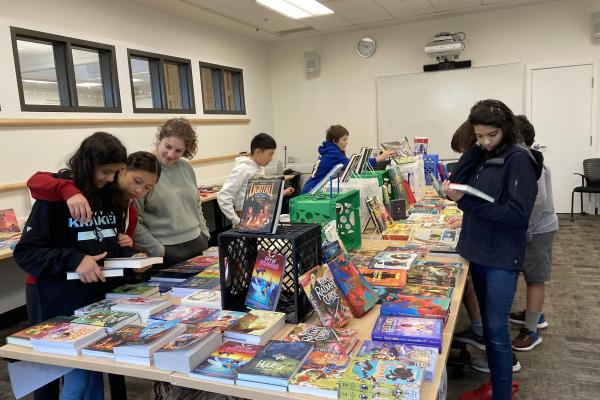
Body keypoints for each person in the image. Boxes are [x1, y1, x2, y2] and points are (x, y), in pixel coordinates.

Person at [14, 132, 141, 400]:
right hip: (65, 307)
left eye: (115, 172)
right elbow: (27, 253)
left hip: (103, 305)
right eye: (105, 172)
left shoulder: (109, 196)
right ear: (88, 164)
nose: (110, 178)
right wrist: (74, 259)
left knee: (92, 379)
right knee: (76, 381)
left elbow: (109, 243)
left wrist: (132, 256)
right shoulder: (56, 198)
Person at [443, 99, 541, 400]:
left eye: (491, 135)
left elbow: (516, 214)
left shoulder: (519, 159)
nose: (484, 142)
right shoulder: (486, 153)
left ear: (506, 130)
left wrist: (466, 201)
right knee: (489, 328)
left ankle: (502, 393)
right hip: (479, 250)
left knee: (497, 333)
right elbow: (457, 180)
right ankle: (498, 387)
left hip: (500, 255)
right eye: (478, 135)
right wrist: (475, 146)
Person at [509, 115, 558, 351]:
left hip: (538, 229)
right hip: (531, 227)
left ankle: (531, 330)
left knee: (535, 277)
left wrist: (525, 232)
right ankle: (533, 314)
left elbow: (537, 202)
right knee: (530, 274)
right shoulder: (523, 159)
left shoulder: (529, 162)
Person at [134, 117, 210, 266]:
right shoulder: (143, 170)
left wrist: (204, 232)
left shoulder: (186, 168)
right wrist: (157, 249)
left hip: (197, 244)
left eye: (178, 151)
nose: (171, 154)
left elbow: (196, 204)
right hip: (166, 252)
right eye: (167, 147)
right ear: (159, 139)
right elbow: (134, 220)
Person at [217, 133, 293, 227]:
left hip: (259, 218)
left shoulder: (260, 168)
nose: (271, 158)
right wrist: (236, 221)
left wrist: (282, 193)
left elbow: (260, 195)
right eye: (269, 154)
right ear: (258, 152)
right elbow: (223, 196)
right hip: (245, 219)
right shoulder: (242, 169)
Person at [301, 125, 394, 194]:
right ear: (334, 141)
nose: (347, 142)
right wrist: (379, 158)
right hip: (311, 192)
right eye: (344, 140)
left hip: (311, 189)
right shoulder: (332, 153)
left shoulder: (330, 151)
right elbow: (354, 165)